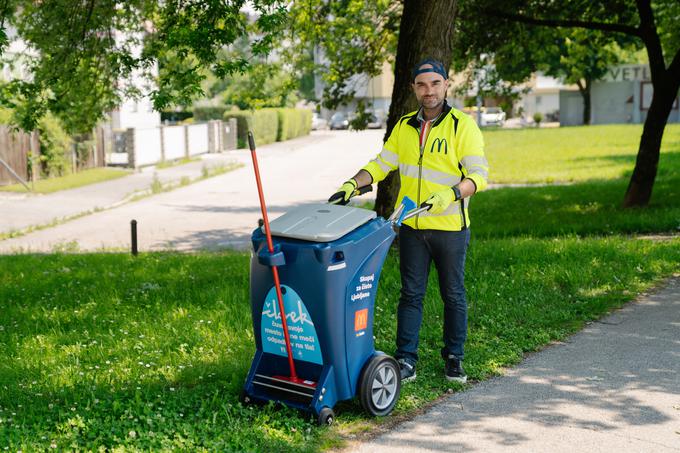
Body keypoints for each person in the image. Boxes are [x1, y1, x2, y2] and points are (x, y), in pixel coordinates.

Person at [329, 58, 489, 383]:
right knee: (411, 294)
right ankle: (406, 360)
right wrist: (353, 184)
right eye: (421, 84)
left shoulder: (462, 125)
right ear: (414, 87)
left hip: (449, 229)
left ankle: (454, 358)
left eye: (434, 83)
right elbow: (381, 164)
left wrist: (451, 194)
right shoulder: (404, 126)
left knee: (453, 294)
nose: (428, 91)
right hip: (413, 227)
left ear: (446, 84)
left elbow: (479, 176)